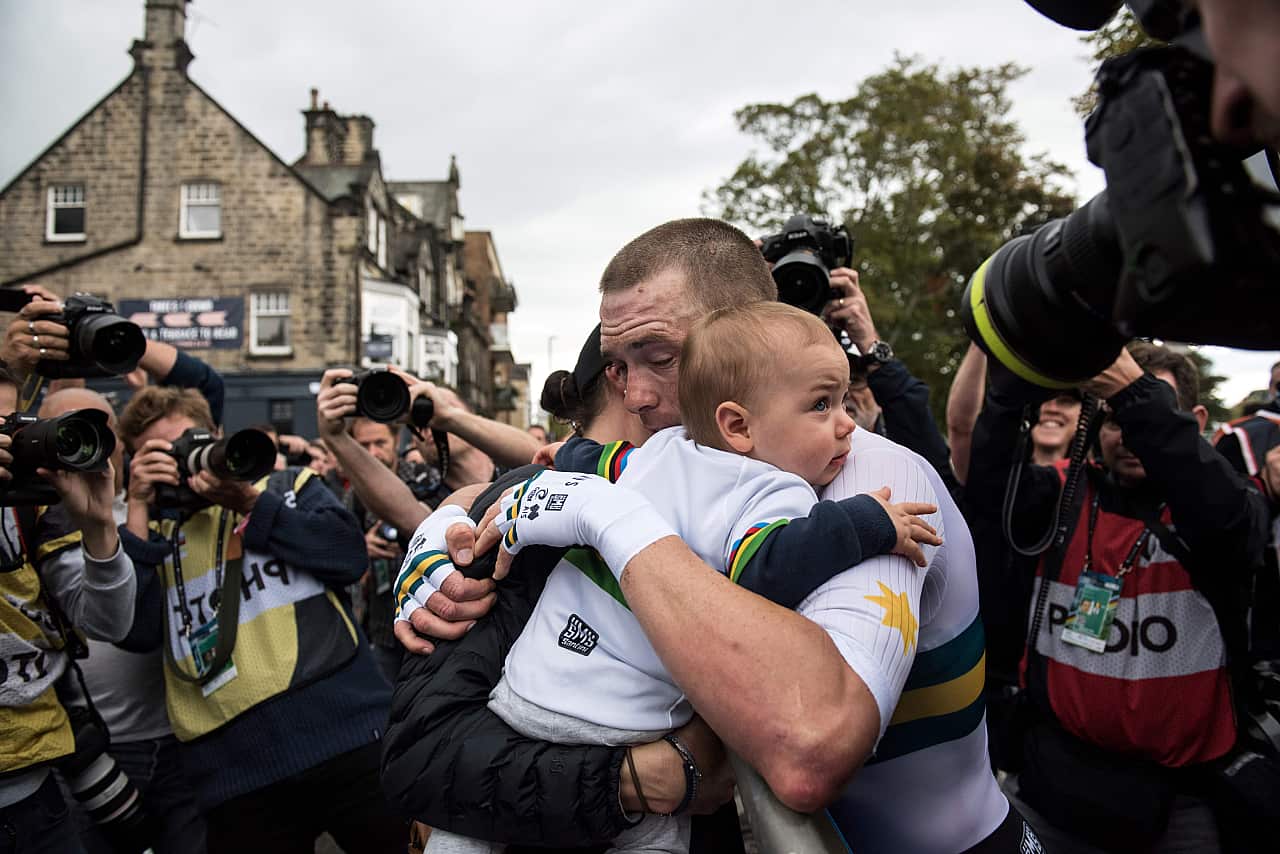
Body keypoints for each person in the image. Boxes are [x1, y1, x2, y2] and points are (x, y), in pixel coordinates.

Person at [388, 219, 1032, 853]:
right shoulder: (680, 463)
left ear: (745, 337)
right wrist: (441, 530)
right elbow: (542, 473)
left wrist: (607, 518)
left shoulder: (868, 478)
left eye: (661, 359)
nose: (635, 396)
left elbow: (808, 752)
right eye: (618, 367)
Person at [966, 341, 1270, 852]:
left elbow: (1223, 514)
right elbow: (990, 484)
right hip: (1054, 789)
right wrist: (1012, 379)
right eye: (1111, 418)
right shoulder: (1061, 494)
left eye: (1144, 411)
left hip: (1180, 806)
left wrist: (1133, 391)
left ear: (1194, 420)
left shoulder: (1224, 506)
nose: (1127, 433)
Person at [115, 386, 406, 854]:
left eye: (190, 442)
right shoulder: (148, 534)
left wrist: (250, 503)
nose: (183, 461)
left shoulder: (285, 486)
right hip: (234, 775)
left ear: (217, 434)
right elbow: (136, 632)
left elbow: (348, 555)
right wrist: (137, 506)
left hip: (349, 734)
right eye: (162, 455)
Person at [0, 366, 139, 854]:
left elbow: (108, 623)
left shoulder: (30, 502)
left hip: (34, 787)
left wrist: (100, 529)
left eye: (9, 423)